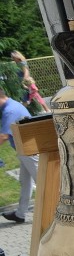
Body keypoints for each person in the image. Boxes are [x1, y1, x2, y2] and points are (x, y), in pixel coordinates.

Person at [1, 89, 37, 224]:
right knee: (25, 182)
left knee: (43, 182)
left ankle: (61, 212)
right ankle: (20, 214)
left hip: (30, 150)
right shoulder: (13, 104)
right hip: (26, 150)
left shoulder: (9, 110)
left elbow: (3, 136)